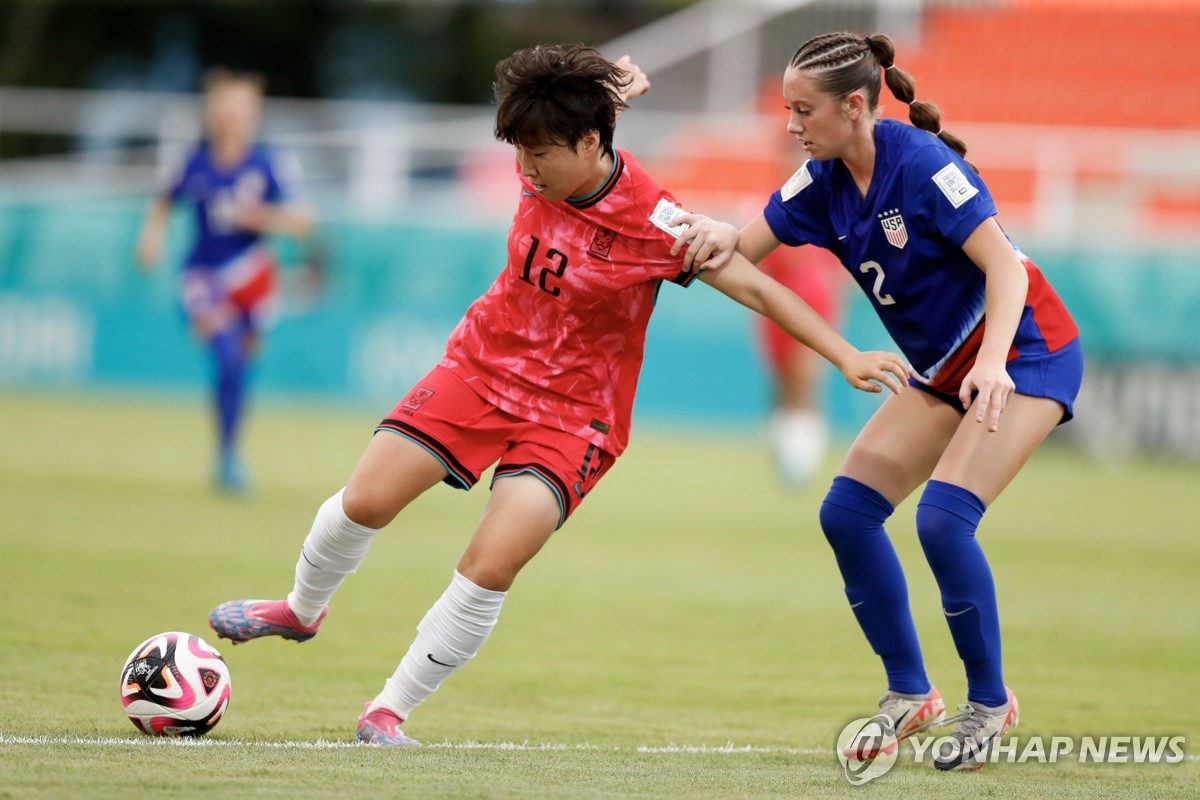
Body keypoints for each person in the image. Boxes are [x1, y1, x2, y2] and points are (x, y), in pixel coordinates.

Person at [207, 44, 908, 747]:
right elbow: (578, 108)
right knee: (365, 500)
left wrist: (843, 353)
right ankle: (300, 609)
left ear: (590, 144)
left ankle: (388, 711)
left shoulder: (656, 221)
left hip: (578, 419)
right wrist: (615, 84)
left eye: (539, 154)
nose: (526, 169)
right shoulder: (547, 152)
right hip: (480, 368)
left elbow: (755, 285)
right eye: (520, 152)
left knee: (491, 562)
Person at [670, 32, 1083, 771]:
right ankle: (910, 694)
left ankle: (988, 704)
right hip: (945, 365)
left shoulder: (923, 164)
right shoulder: (819, 179)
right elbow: (746, 248)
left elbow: (1006, 270)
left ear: (854, 107)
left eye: (804, 111)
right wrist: (711, 233)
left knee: (943, 522)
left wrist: (991, 365)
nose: (791, 126)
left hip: (1025, 352)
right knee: (848, 513)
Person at [136, 68, 315, 494]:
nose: (230, 115)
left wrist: (264, 217)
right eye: (224, 106)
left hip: (253, 278)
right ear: (210, 111)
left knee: (238, 368)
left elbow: (304, 221)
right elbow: (162, 202)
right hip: (203, 276)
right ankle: (230, 457)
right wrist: (151, 237)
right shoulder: (192, 161)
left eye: (240, 107)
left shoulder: (271, 163)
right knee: (228, 354)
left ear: (253, 114)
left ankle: (228, 451)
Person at [757, 244, 845, 487]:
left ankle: (802, 462)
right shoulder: (762, 209)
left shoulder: (825, 210)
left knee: (804, 383)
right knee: (781, 384)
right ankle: (786, 454)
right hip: (773, 298)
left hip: (810, 294)